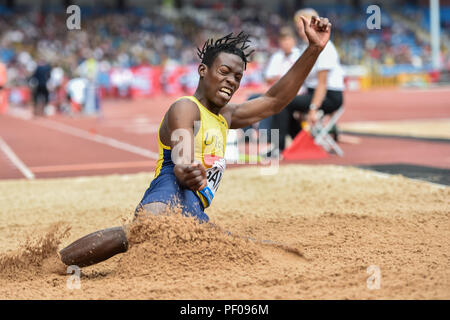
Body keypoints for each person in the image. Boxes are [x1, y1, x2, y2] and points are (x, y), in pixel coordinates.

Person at [58, 16, 333, 268]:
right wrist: (188, 167)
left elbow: (274, 101)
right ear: (203, 70)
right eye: (224, 71)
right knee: (144, 228)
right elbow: (181, 163)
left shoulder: (227, 115)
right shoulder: (185, 108)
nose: (231, 81)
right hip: (170, 189)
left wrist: (314, 49)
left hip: (195, 204)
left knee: (224, 246)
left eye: (237, 77)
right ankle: (57, 265)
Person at [272, 8, 345, 152]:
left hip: (329, 96)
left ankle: (278, 148)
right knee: (281, 100)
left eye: (303, 27)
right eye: (299, 28)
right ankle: (300, 144)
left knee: (281, 102)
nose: (301, 32)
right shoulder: (307, 47)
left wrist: (312, 109)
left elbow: (322, 84)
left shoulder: (325, 48)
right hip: (314, 93)